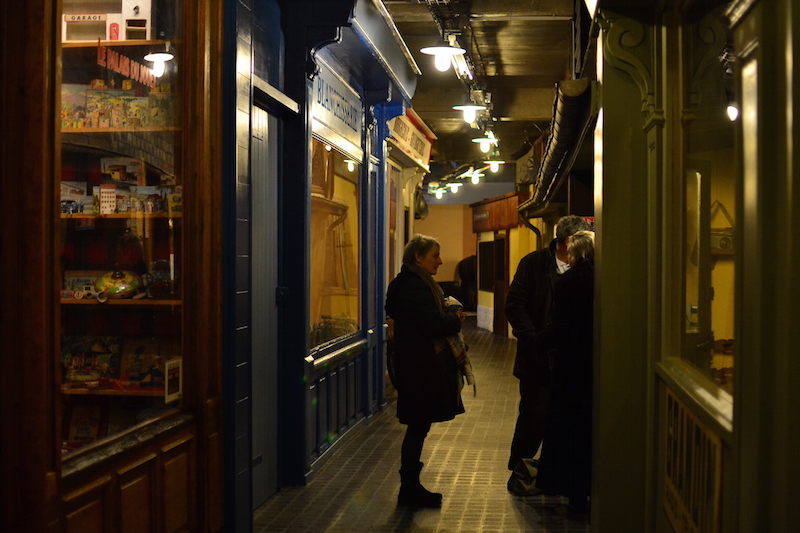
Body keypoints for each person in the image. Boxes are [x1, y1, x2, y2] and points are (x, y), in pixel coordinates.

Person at [504, 215, 591, 494]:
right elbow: (515, 304)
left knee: (565, 422)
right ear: (568, 242)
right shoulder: (533, 263)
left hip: (570, 362)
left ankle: (555, 478)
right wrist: (532, 340)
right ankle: (519, 472)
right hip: (537, 360)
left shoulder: (588, 268)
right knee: (532, 418)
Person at [385, 234, 467, 508]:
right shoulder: (414, 288)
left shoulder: (409, 284)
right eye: (435, 255)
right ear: (418, 257)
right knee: (418, 426)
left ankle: (411, 487)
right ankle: (409, 489)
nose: (440, 261)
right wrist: (453, 318)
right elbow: (434, 325)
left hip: (416, 366)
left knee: (418, 426)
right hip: (419, 369)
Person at [535, 230, 595, 514]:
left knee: (570, 427)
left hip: (572, 365)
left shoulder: (568, 283)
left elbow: (558, 326)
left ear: (577, 254)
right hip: (598, 363)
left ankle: (574, 495)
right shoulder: (606, 279)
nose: (567, 256)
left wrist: (537, 343)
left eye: (570, 252)